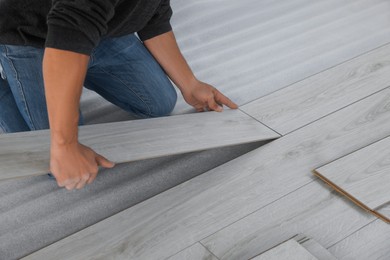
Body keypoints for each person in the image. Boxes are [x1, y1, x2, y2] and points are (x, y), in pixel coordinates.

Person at [0, 0, 238, 190]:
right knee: (55, 161)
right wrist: (65, 145)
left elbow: (154, 12)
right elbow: (68, 37)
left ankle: (79, 67)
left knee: (158, 104)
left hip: (99, 28)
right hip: (30, 33)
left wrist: (190, 84)